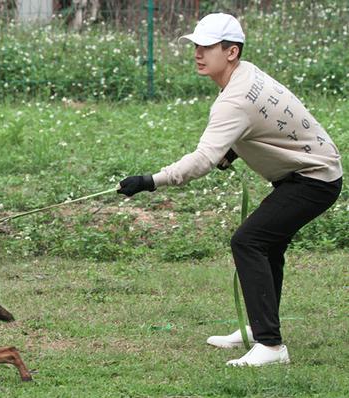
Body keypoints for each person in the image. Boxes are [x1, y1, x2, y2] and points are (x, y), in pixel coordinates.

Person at [117, 13, 343, 366]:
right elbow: (261, 125)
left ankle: (270, 346)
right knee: (266, 245)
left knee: (248, 241)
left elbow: (204, 158)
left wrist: (150, 181)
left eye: (207, 47)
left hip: (314, 179)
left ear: (232, 51)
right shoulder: (247, 75)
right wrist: (233, 152)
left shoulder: (234, 99)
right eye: (196, 45)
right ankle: (259, 328)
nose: (197, 53)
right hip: (313, 171)